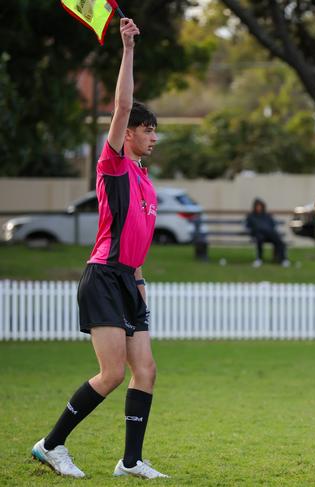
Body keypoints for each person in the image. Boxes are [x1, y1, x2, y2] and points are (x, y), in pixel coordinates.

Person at [31, 18, 168, 479]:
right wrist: (128, 47)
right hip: (103, 277)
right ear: (127, 132)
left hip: (128, 280)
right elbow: (123, 102)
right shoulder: (113, 163)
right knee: (111, 374)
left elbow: (138, 238)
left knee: (144, 371)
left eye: (153, 131)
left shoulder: (146, 180)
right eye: (147, 129)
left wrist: (141, 278)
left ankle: (130, 461)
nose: (152, 137)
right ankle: (51, 445)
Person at [245, 198, 289, 268]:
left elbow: (273, 225)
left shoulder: (267, 216)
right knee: (259, 239)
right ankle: (259, 259)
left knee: (279, 240)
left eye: (260, 206)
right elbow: (247, 226)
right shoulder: (251, 216)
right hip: (259, 234)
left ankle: (283, 259)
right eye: (257, 206)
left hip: (270, 234)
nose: (259, 208)